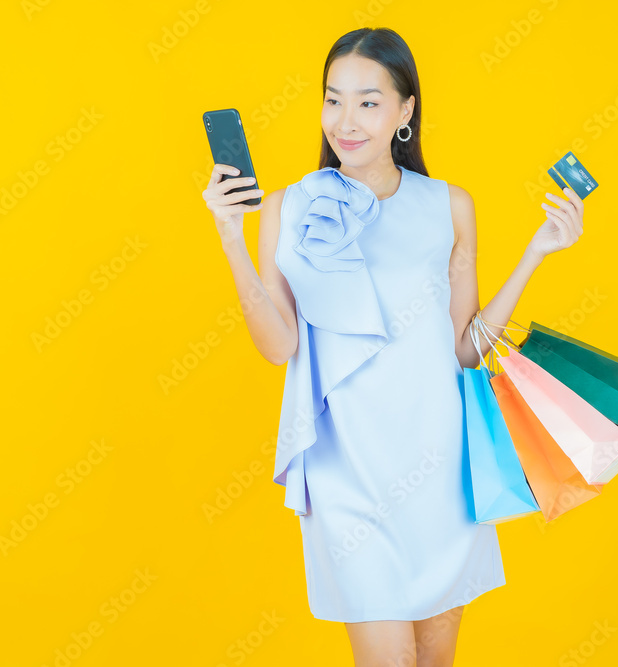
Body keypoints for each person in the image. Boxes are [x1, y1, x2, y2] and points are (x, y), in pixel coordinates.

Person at [202, 27, 584, 667]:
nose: (344, 121)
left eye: (368, 102)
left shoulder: (449, 206)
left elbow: (465, 348)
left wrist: (535, 254)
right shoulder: (286, 208)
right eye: (333, 100)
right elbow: (279, 345)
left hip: (439, 469)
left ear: (406, 111)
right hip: (346, 469)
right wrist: (230, 238)